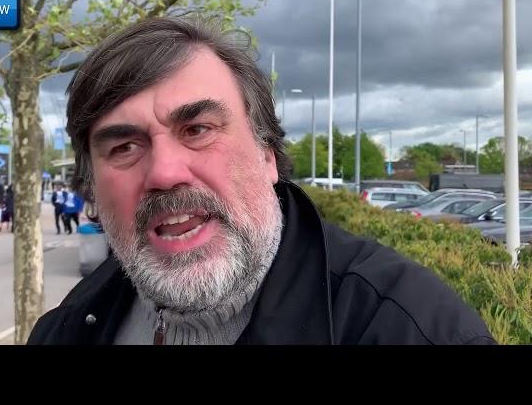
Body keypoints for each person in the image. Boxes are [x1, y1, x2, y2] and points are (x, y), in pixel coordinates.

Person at [28, 17, 496, 345]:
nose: (165, 172)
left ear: (267, 152)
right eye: (124, 147)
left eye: (197, 130)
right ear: (91, 186)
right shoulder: (68, 326)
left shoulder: (411, 328)